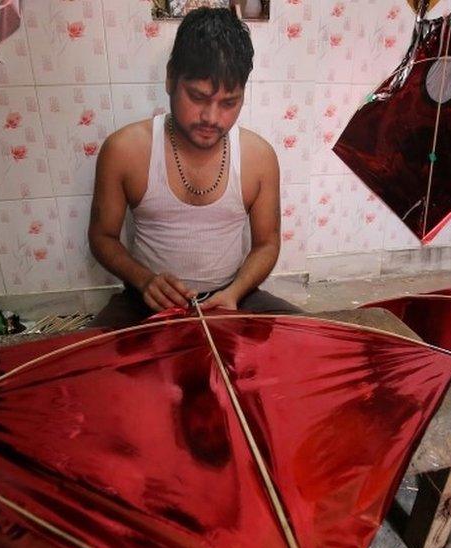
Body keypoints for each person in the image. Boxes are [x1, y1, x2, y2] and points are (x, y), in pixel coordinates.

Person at [87, 7, 300, 329]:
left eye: (229, 103)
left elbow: (267, 244)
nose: (212, 118)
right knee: (89, 362)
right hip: (146, 299)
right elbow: (102, 236)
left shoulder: (259, 157)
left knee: (313, 342)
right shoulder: (125, 150)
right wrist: (144, 281)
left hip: (233, 295)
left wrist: (233, 294)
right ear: (171, 77)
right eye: (198, 97)